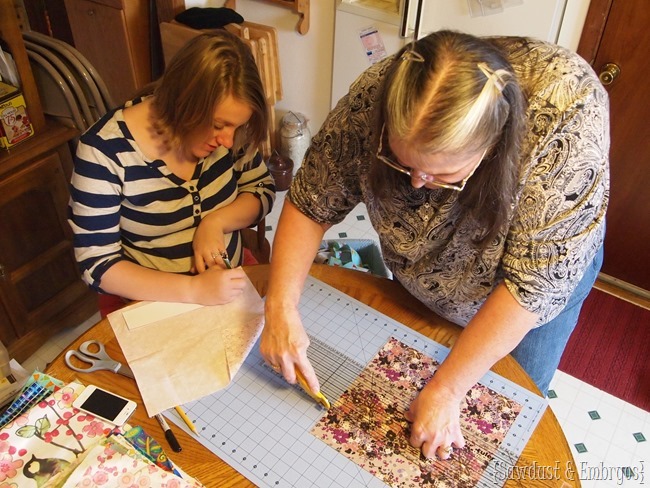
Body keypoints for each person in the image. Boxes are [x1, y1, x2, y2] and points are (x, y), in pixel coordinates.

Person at [260, 31, 609, 461]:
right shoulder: (378, 96)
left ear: (492, 144)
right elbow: (312, 200)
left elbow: (530, 289)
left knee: (496, 419)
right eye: (402, 162)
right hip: (427, 269)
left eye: (442, 174)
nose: (416, 183)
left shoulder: (564, 125)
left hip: (524, 292)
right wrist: (280, 308)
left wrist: (448, 388)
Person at [68, 31, 275, 316]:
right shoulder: (104, 152)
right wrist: (194, 290)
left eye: (236, 128)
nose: (227, 141)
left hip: (231, 284)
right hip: (154, 305)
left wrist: (215, 223)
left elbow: (261, 188)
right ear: (182, 104)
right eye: (217, 125)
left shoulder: (231, 133)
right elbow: (97, 265)